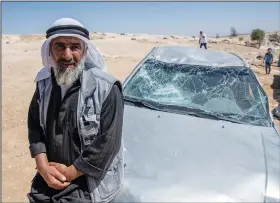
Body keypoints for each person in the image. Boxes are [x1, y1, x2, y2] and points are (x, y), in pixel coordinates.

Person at [27, 17, 124, 203]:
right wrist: (42, 165)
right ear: (50, 50)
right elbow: (34, 125)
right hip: (48, 179)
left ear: (84, 50)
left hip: (88, 185)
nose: (67, 55)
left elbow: (108, 143)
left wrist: (71, 172)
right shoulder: (43, 84)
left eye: (74, 47)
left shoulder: (107, 88)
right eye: (60, 46)